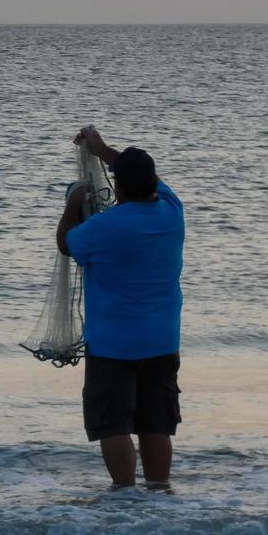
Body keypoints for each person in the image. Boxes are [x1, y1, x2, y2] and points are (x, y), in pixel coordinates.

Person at [55, 128, 184, 488]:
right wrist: (103, 150)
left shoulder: (105, 226)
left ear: (119, 187)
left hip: (113, 345)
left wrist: (74, 201)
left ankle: (125, 499)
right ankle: (159, 492)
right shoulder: (173, 212)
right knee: (156, 424)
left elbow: (66, 242)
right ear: (152, 183)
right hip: (162, 340)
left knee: (113, 424)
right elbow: (146, 177)